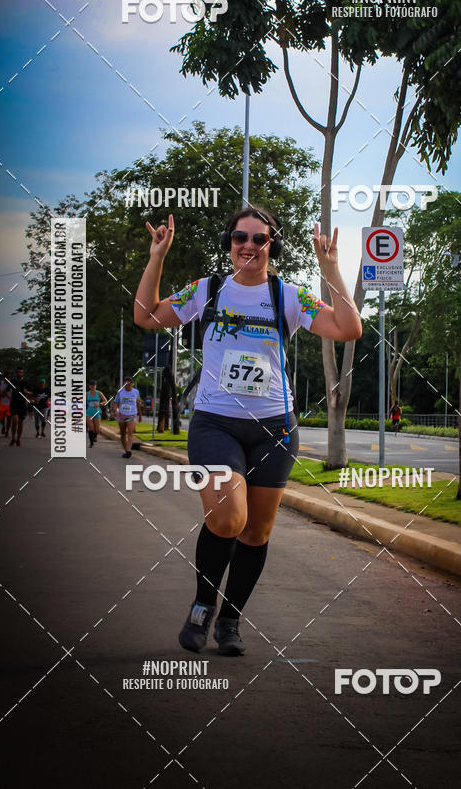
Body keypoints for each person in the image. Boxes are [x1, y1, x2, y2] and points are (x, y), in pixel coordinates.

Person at [134, 208, 361, 656]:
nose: (249, 246)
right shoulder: (208, 290)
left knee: (256, 533)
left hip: (275, 428)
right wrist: (157, 256)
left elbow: (349, 327)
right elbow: (147, 316)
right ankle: (202, 606)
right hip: (215, 423)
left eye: (259, 239)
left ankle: (230, 621)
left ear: (270, 245)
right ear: (230, 242)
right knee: (227, 518)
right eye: (240, 237)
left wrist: (330, 267)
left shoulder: (288, 296)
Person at [112, 377, 142, 458]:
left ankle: (128, 451)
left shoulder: (136, 392)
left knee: (130, 433)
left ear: (132, 384)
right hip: (122, 414)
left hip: (132, 415)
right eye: (126, 384)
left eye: (129, 384)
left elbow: (139, 403)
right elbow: (115, 402)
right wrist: (115, 410)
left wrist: (140, 415)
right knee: (122, 434)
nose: (127, 385)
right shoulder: (120, 392)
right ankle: (126, 450)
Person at [9, 366, 32, 447]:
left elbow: (31, 393)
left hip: (22, 404)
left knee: (20, 422)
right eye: (18, 372)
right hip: (14, 404)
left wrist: (27, 393)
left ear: (23, 373)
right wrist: (9, 398)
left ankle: (18, 439)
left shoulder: (26, 382)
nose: (19, 373)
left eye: (21, 372)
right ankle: (13, 438)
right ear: (16, 373)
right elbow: (5, 391)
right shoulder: (12, 382)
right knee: (15, 421)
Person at [86, 380, 107, 448]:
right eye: (91, 385)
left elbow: (105, 401)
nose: (92, 387)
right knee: (91, 428)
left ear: (96, 386)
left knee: (97, 429)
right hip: (89, 412)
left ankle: (95, 436)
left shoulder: (99, 393)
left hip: (97, 412)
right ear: (89, 386)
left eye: (94, 385)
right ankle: (91, 443)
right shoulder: (87, 393)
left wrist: (100, 403)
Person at [0, 372, 12, 437]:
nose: (7, 378)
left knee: (9, 418)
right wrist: (1, 395)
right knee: (2, 419)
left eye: (8, 377)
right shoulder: (1, 383)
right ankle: (3, 425)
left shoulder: (12, 384)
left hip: (9, 404)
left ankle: (7, 431)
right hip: (1, 403)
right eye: (6, 377)